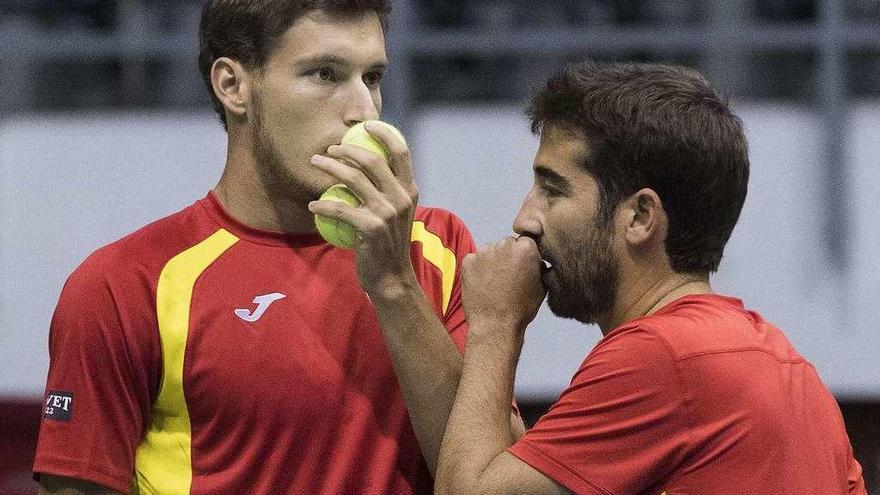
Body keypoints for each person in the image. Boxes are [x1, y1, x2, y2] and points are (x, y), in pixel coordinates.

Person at [33, 1, 522, 493]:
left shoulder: (438, 247)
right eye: (325, 74)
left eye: (371, 78)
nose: (364, 112)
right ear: (234, 86)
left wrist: (395, 285)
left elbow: (490, 481)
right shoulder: (123, 283)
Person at [433, 61, 868, 494]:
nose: (524, 220)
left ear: (640, 216)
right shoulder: (800, 380)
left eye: (553, 190)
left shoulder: (663, 356)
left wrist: (494, 325)